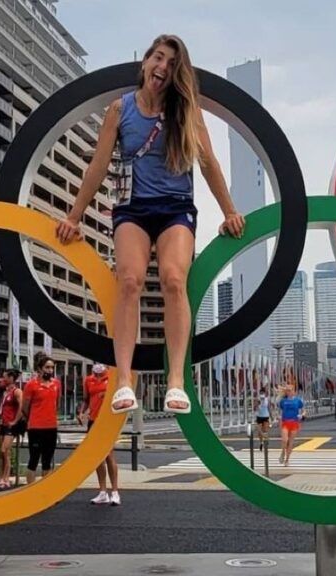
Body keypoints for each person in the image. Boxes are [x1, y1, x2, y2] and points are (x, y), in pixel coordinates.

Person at [55, 34, 245, 416]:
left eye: (172, 64)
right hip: (132, 209)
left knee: (174, 279)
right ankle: (124, 380)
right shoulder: (119, 109)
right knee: (129, 280)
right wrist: (74, 216)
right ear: (145, 63)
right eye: (158, 58)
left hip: (175, 208)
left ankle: (176, 380)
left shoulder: (186, 111)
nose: (163, 67)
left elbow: (208, 162)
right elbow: (98, 165)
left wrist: (229, 211)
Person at [14, 353, 61, 484]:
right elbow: (25, 407)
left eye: (52, 367)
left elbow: (57, 404)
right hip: (35, 428)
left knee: (47, 461)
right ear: (40, 369)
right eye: (47, 367)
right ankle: (30, 490)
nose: (50, 370)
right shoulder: (31, 385)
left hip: (51, 427)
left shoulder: (56, 384)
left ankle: (45, 490)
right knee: (33, 459)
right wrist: (34, 418)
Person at [78, 363, 121, 506]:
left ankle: (115, 492)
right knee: (97, 457)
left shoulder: (112, 378)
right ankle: (103, 492)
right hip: (93, 420)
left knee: (109, 455)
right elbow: (86, 399)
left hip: (107, 421)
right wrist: (82, 412)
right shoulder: (89, 380)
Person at [0, 368, 23, 489]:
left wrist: (15, 421)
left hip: (11, 426)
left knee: (5, 451)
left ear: (11, 378)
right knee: (0, 453)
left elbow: (22, 407)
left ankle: (6, 479)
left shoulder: (17, 391)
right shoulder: (5, 392)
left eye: (5, 377)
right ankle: (1, 478)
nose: (3, 379)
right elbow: (2, 410)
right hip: (3, 424)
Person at [277, 385, 304, 467]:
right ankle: (282, 453)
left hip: (294, 423)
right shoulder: (283, 401)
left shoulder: (298, 401)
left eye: (290, 390)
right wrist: (279, 417)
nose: (289, 392)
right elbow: (279, 411)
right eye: (287, 390)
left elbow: (303, 410)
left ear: (293, 391)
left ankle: (287, 460)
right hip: (285, 422)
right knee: (285, 440)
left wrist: (302, 415)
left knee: (290, 443)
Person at [253, 387, 271, 451]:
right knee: (259, 431)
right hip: (259, 416)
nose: (262, 394)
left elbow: (269, 408)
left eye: (263, 393)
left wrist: (271, 416)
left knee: (265, 430)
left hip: (266, 416)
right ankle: (261, 442)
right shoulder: (257, 399)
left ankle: (266, 441)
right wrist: (257, 404)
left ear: (265, 393)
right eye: (261, 393)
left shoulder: (267, 399)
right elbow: (254, 409)